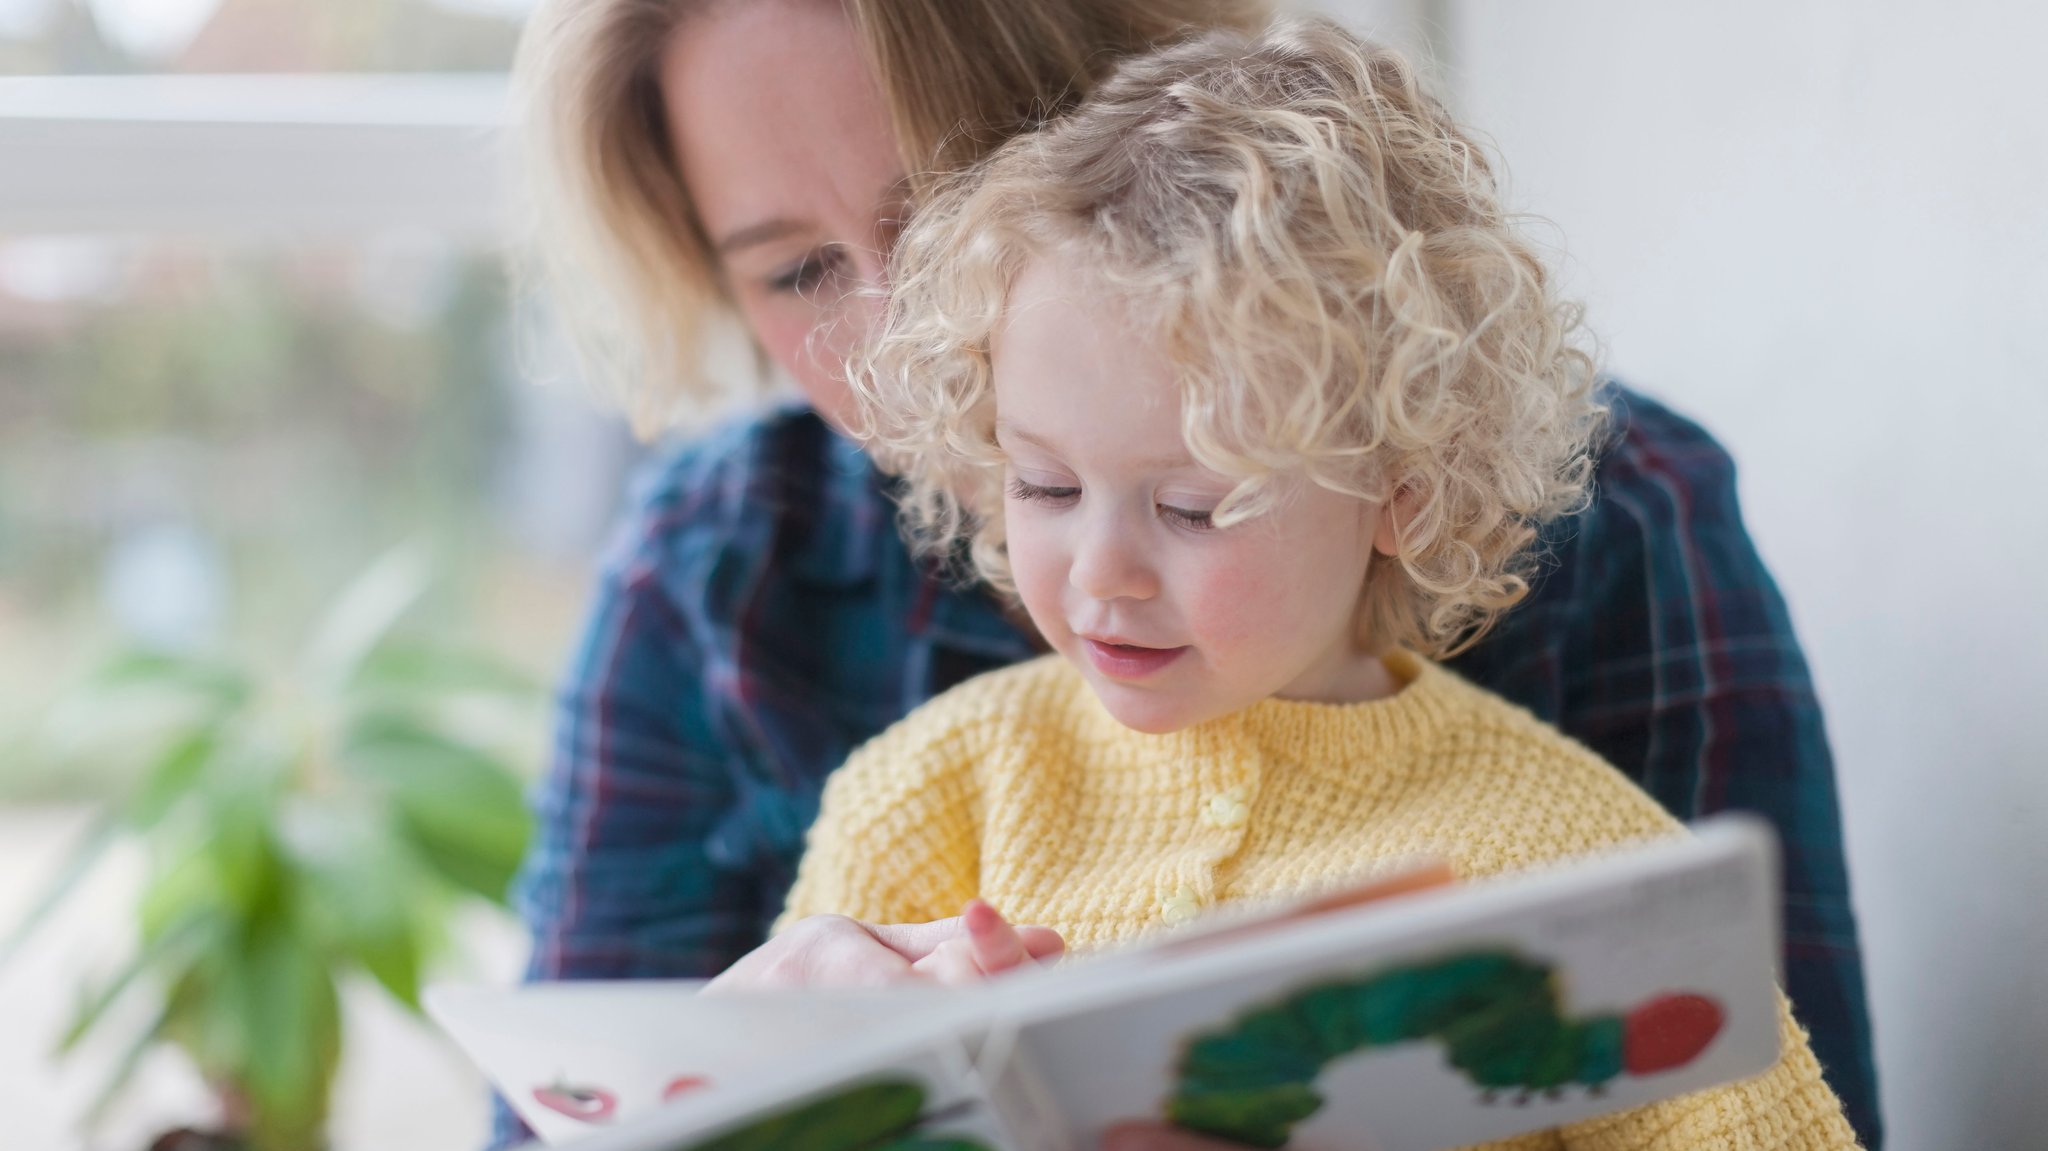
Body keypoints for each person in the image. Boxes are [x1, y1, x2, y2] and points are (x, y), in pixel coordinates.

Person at [502, 0, 1879, 1145]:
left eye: (959, 212)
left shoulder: (1616, 545)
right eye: (800, 270)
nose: (906, 340)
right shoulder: (775, 633)